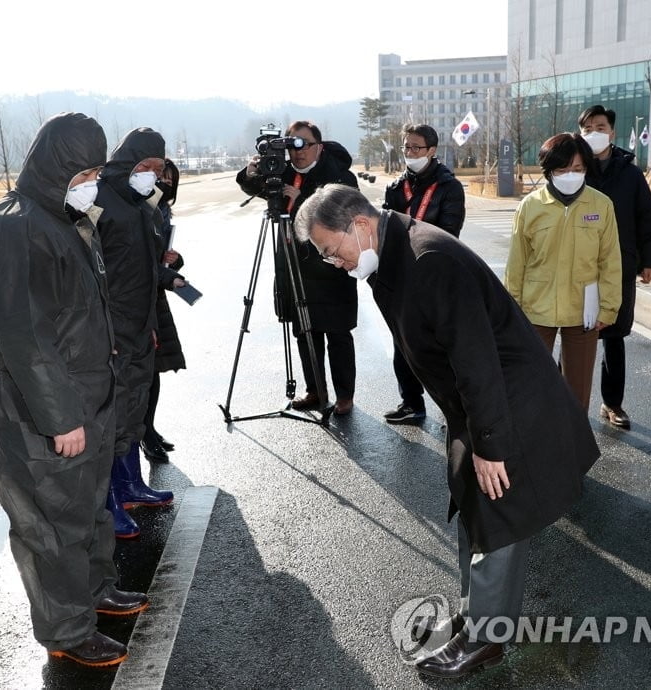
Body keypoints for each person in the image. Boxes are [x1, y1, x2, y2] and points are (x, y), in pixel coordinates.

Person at [294, 184, 600, 679]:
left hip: (506, 402)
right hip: (475, 402)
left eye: (333, 251)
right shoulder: (388, 252)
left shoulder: (428, 259)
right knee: (471, 502)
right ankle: (475, 611)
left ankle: (487, 638)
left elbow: (476, 360)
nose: (335, 263)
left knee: (498, 511)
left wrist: (491, 445)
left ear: (361, 225)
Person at [0, 113, 149, 669]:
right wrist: (61, 417)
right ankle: (68, 630)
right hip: (44, 414)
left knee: (87, 512)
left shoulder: (66, 220)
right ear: (55, 168)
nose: (92, 182)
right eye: (83, 172)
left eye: (96, 171)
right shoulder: (19, 225)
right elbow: (22, 333)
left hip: (85, 400)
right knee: (51, 530)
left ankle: (97, 591)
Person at [235, 120, 359, 415]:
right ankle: (315, 391)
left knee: (337, 334)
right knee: (305, 332)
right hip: (294, 267)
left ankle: (345, 396)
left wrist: (300, 199)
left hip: (331, 268)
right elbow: (250, 185)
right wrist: (253, 169)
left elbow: (345, 215)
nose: (297, 152)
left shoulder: (339, 174)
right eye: (291, 145)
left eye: (304, 144)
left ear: (319, 146)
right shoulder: (284, 171)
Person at [504, 132, 623, 412]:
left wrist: (608, 308)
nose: (571, 175)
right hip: (535, 310)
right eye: (563, 169)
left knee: (577, 390)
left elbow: (610, 261)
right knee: (532, 383)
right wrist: (512, 308)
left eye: (578, 169)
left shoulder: (601, 205)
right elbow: (516, 262)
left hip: (584, 312)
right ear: (549, 171)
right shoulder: (530, 206)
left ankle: (573, 447)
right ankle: (533, 443)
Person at [94, 127, 174, 539]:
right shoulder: (99, 201)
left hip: (142, 325)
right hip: (112, 330)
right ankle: (110, 498)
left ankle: (131, 484)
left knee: (134, 408)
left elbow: (145, 263)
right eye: (146, 167)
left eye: (158, 169)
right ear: (127, 163)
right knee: (111, 414)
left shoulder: (143, 204)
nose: (152, 176)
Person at [579, 105, 651, 429]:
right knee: (576, 335)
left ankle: (612, 403)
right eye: (587, 128)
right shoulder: (574, 169)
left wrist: (650, 261)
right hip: (580, 270)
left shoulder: (630, 172)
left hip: (620, 267)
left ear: (612, 132)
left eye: (600, 127)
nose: (594, 133)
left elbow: (646, 217)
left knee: (614, 338)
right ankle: (565, 400)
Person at [381, 123, 466, 424]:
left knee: (442, 347)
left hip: (436, 277)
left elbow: (449, 234)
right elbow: (383, 230)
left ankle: (455, 410)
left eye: (416, 147)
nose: (409, 153)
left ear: (432, 150)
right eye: (406, 147)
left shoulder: (449, 187)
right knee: (403, 344)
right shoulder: (394, 188)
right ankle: (411, 403)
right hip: (400, 278)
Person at [141, 158, 188, 463]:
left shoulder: (163, 210)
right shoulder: (142, 209)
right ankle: (144, 433)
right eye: (160, 176)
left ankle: (150, 428)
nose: (165, 182)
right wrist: (168, 273)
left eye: (170, 178)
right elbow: (137, 263)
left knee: (154, 371)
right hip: (141, 297)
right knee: (143, 374)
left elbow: (158, 258)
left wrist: (174, 261)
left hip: (156, 293)